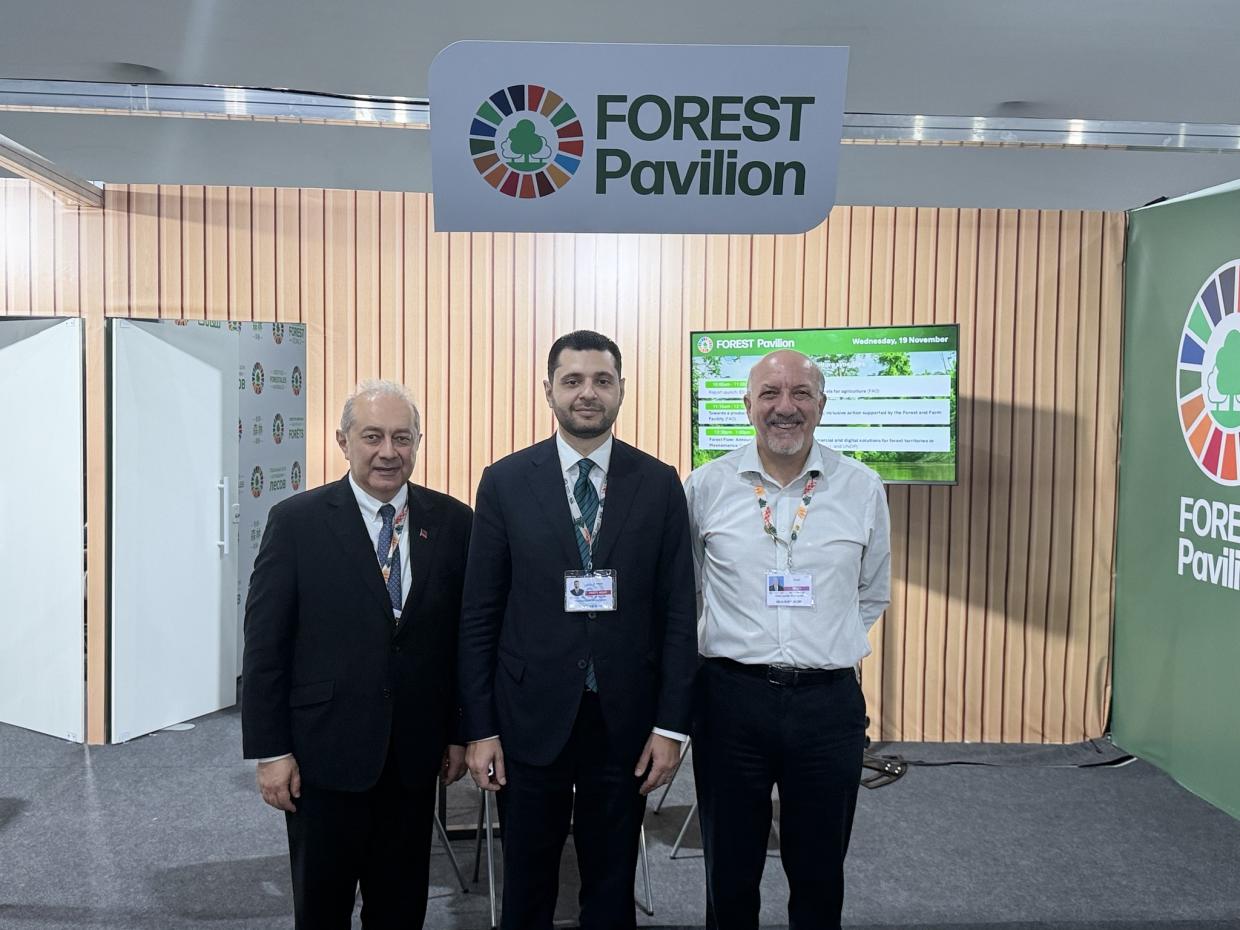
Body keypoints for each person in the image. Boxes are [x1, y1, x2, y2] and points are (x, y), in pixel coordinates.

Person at [458, 330, 697, 930]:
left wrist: (671, 726)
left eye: (601, 380)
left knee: (611, 883)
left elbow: (677, 612)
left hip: (625, 718)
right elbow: (480, 614)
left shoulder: (659, 483)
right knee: (528, 880)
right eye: (572, 381)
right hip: (529, 713)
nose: (587, 393)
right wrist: (480, 728)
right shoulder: (505, 481)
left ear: (621, 390)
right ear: (549, 391)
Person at [241, 379, 472, 930]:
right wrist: (270, 751)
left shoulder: (453, 522)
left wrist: (459, 731)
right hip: (323, 756)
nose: (388, 452)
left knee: (400, 909)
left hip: (414, 758)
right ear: (343, 441)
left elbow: (461, 640)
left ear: (418, 443)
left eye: (402, 437)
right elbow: (266, 645)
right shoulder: (296, 522)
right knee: (323, 910)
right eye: (373, 436)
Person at [684, 349, 891, 930]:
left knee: (820, 874)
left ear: (822, 405)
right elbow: (689, 592)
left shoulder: (861, 487)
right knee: (729, 873)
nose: (785, 407)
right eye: (770, 393)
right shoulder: (705, 487)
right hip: (729, 702)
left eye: (801, 393)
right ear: (747, 405)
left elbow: (871, 593)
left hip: (827, 706)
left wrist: (820, 645)